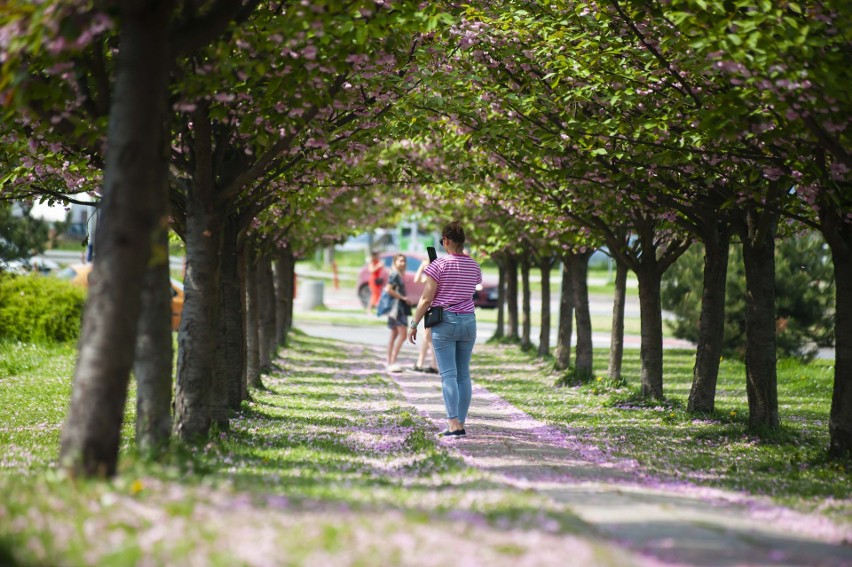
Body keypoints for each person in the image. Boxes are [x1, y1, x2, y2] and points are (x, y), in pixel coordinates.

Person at [407, 222, 482, 437]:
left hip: (445, 321)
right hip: (469, 321)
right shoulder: (474, 265)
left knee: (448, 374)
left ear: (446, 240)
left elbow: (425, 299)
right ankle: (461, 422)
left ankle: (452, 425)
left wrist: (414, 324)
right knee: (463, 374)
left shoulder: (437, 265)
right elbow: (473, 285)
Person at [385, 253, 415, 372]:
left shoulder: (397, 274)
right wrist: (403, 298)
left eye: (404, 261)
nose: (402, 263)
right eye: (400, 261)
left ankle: (390, 361)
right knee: (402, 335)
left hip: (395, 308)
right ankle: (392, 361)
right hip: (397, 309)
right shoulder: (395, 274)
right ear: (395, 262)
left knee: (394, 335)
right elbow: (388, 289)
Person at [412, 257, 438, 374]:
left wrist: (424, 267)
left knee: (428, 336)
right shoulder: (429, 276)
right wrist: (421, 266)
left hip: (432, 307)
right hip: (428, 307)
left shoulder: (434, 276)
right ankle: (421, 363)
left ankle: (433, 364)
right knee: (426, 336)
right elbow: (416, 280)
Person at [366, 250, 383, 315]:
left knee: (377, 295)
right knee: (374, 295)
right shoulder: (372, 262)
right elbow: (371, 270)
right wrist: (378, 266)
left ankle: (377, 309)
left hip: (378, 279)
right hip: (373, 280)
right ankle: (369, 310)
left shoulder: (378, 261)